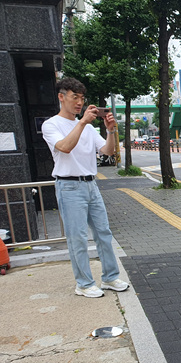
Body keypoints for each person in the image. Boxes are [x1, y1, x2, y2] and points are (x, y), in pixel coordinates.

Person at [41, 78, 129, 298]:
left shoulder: (88, 127)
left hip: (91, 184)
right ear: (61, 97)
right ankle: (83, 283)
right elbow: (64, 147)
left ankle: (110, 277)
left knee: (103, 233)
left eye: (82, 98)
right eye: (75, 97)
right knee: (77, 237)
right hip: (69, 186)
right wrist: (81, 123)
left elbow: (107, 151)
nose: (79, 102)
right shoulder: (51, 125)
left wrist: (111, 131)